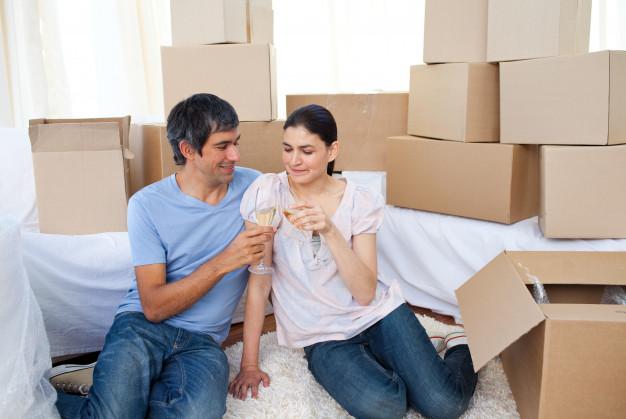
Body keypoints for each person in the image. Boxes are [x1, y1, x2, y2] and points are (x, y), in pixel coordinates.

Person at [228, 104, 478, 419]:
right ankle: (415, 356)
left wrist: (330, 230)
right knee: (387, 407)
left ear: (332, 151)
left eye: (307, 151)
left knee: (445, 405)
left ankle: (459, 344)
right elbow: (260, 280)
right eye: (288, 149)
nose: (293, 161)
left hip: (377, 314)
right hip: (321, 335)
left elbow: (364, 293)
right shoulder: (268, 195)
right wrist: (249, 365)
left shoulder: (359, 200)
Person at [51, 93, 274, 418]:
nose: (235, 155)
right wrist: (224, 262)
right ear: (188, 150)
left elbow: (262, 276)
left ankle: (111, 389)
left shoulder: (255, 187)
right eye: (222, 146)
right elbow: (154, 308)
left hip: (203, 341)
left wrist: (250, 364)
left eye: (236, 143)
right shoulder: (146, 205)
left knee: (193, 414)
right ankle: (51, 394)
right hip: (141, 327)